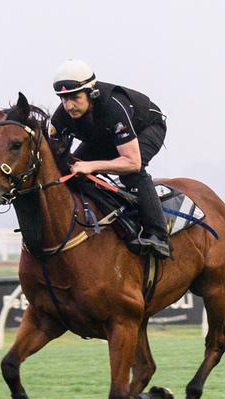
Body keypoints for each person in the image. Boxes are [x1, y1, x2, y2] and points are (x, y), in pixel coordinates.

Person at [50, 59, 171, 259]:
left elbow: (132, 162)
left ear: (92, 93)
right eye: (63, 99)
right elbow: (55, 159)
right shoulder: (61, 117)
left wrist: (91, 166)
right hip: (104, 136)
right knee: (72, 173)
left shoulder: (113, 108)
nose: (69, 106)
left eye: (75, 98)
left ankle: (158, 235)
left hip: (146, 128)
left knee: (132, 175)